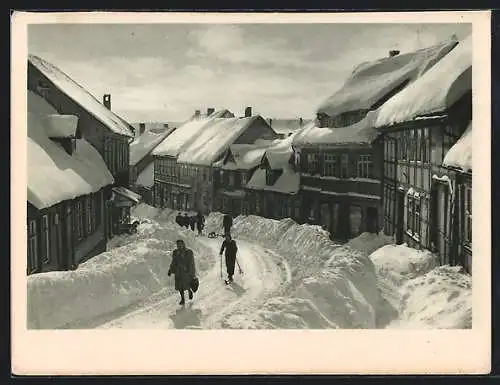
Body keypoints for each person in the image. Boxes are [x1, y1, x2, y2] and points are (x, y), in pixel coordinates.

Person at [168, 239, 197, 305]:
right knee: (179, 286)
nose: (179, 246)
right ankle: (182, 299)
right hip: (178, 272)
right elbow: (173, 262)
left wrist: (191, 272)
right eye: (178, 245)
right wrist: (170, 270)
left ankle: (190, 291)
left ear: (183, 244)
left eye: (180, 244)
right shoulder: (175, 252)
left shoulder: (188, 252)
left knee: (187, 285)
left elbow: (191, 262)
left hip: (186, 272)